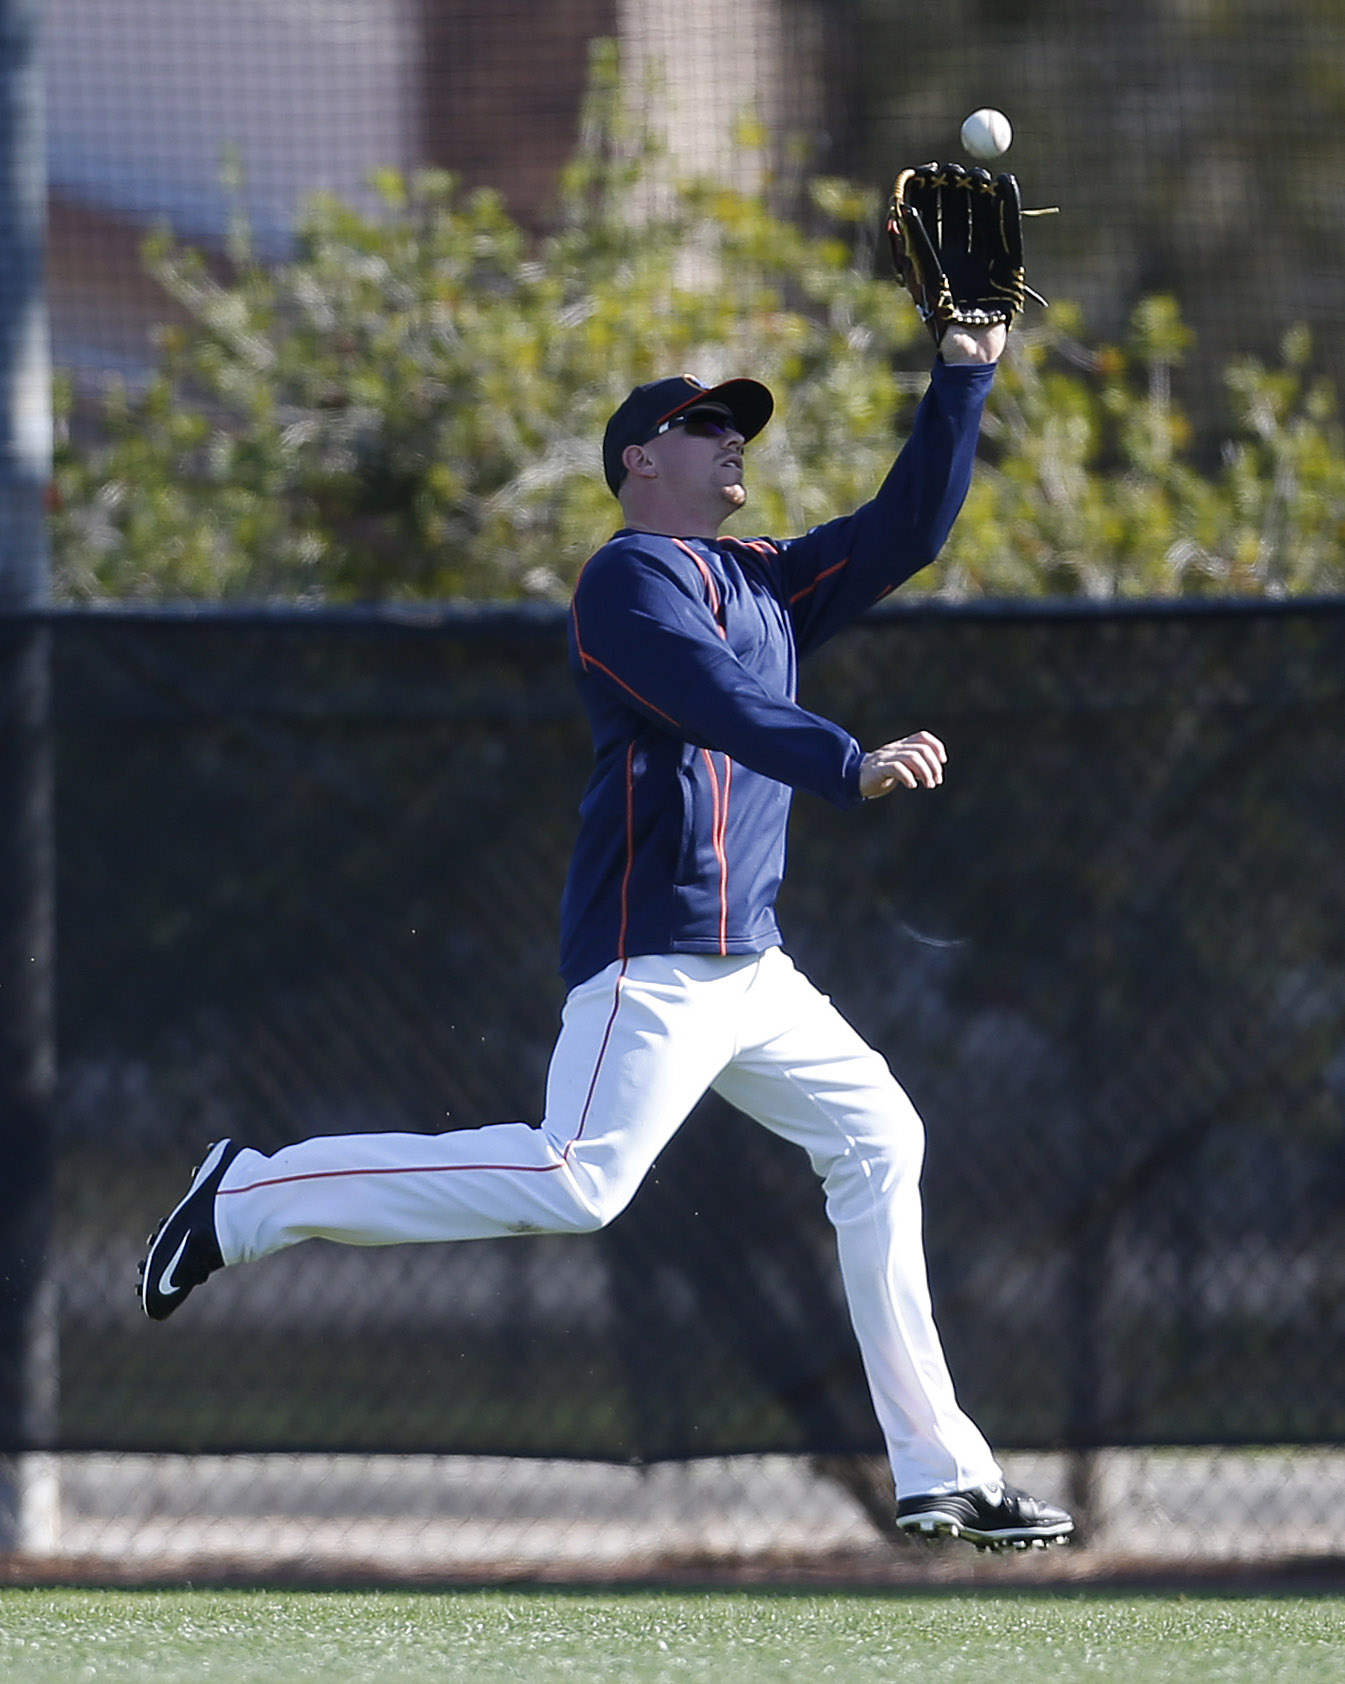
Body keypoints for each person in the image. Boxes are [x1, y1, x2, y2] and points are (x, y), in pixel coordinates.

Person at [139, 315, 1075, 1552]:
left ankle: (941, 1468)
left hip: (754, 965)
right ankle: (247, 1196)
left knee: (879, 1137)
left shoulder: (764, 576)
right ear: (640, 459)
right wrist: (846, 760)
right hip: (656, 957)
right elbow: (712, 698)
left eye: (737, 424)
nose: (731, 438)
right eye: (704, 424)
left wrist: (964, 371)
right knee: (577, 1180)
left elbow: (909, 529)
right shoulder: (625, 581)